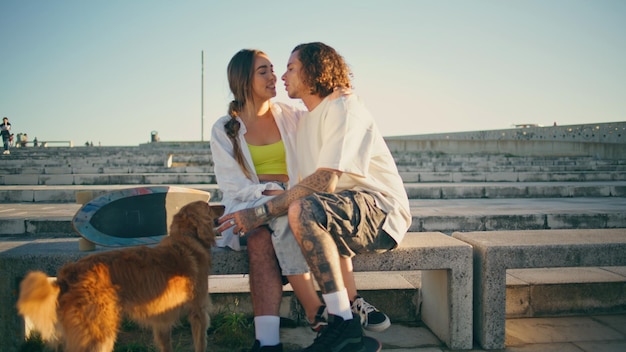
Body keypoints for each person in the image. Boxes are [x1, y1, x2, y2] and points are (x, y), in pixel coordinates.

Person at [217, 42, 411, 352]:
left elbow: (323, 182)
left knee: (300, 210)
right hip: (334, 209)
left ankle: (341, 322)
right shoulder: (304, 120)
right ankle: (279, 339)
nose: (281, 75)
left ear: (313, 71)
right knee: (280, 223)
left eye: (290, 68)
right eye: (268, 70)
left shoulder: (343, 106)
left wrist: (262, 211)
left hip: (378, 210)